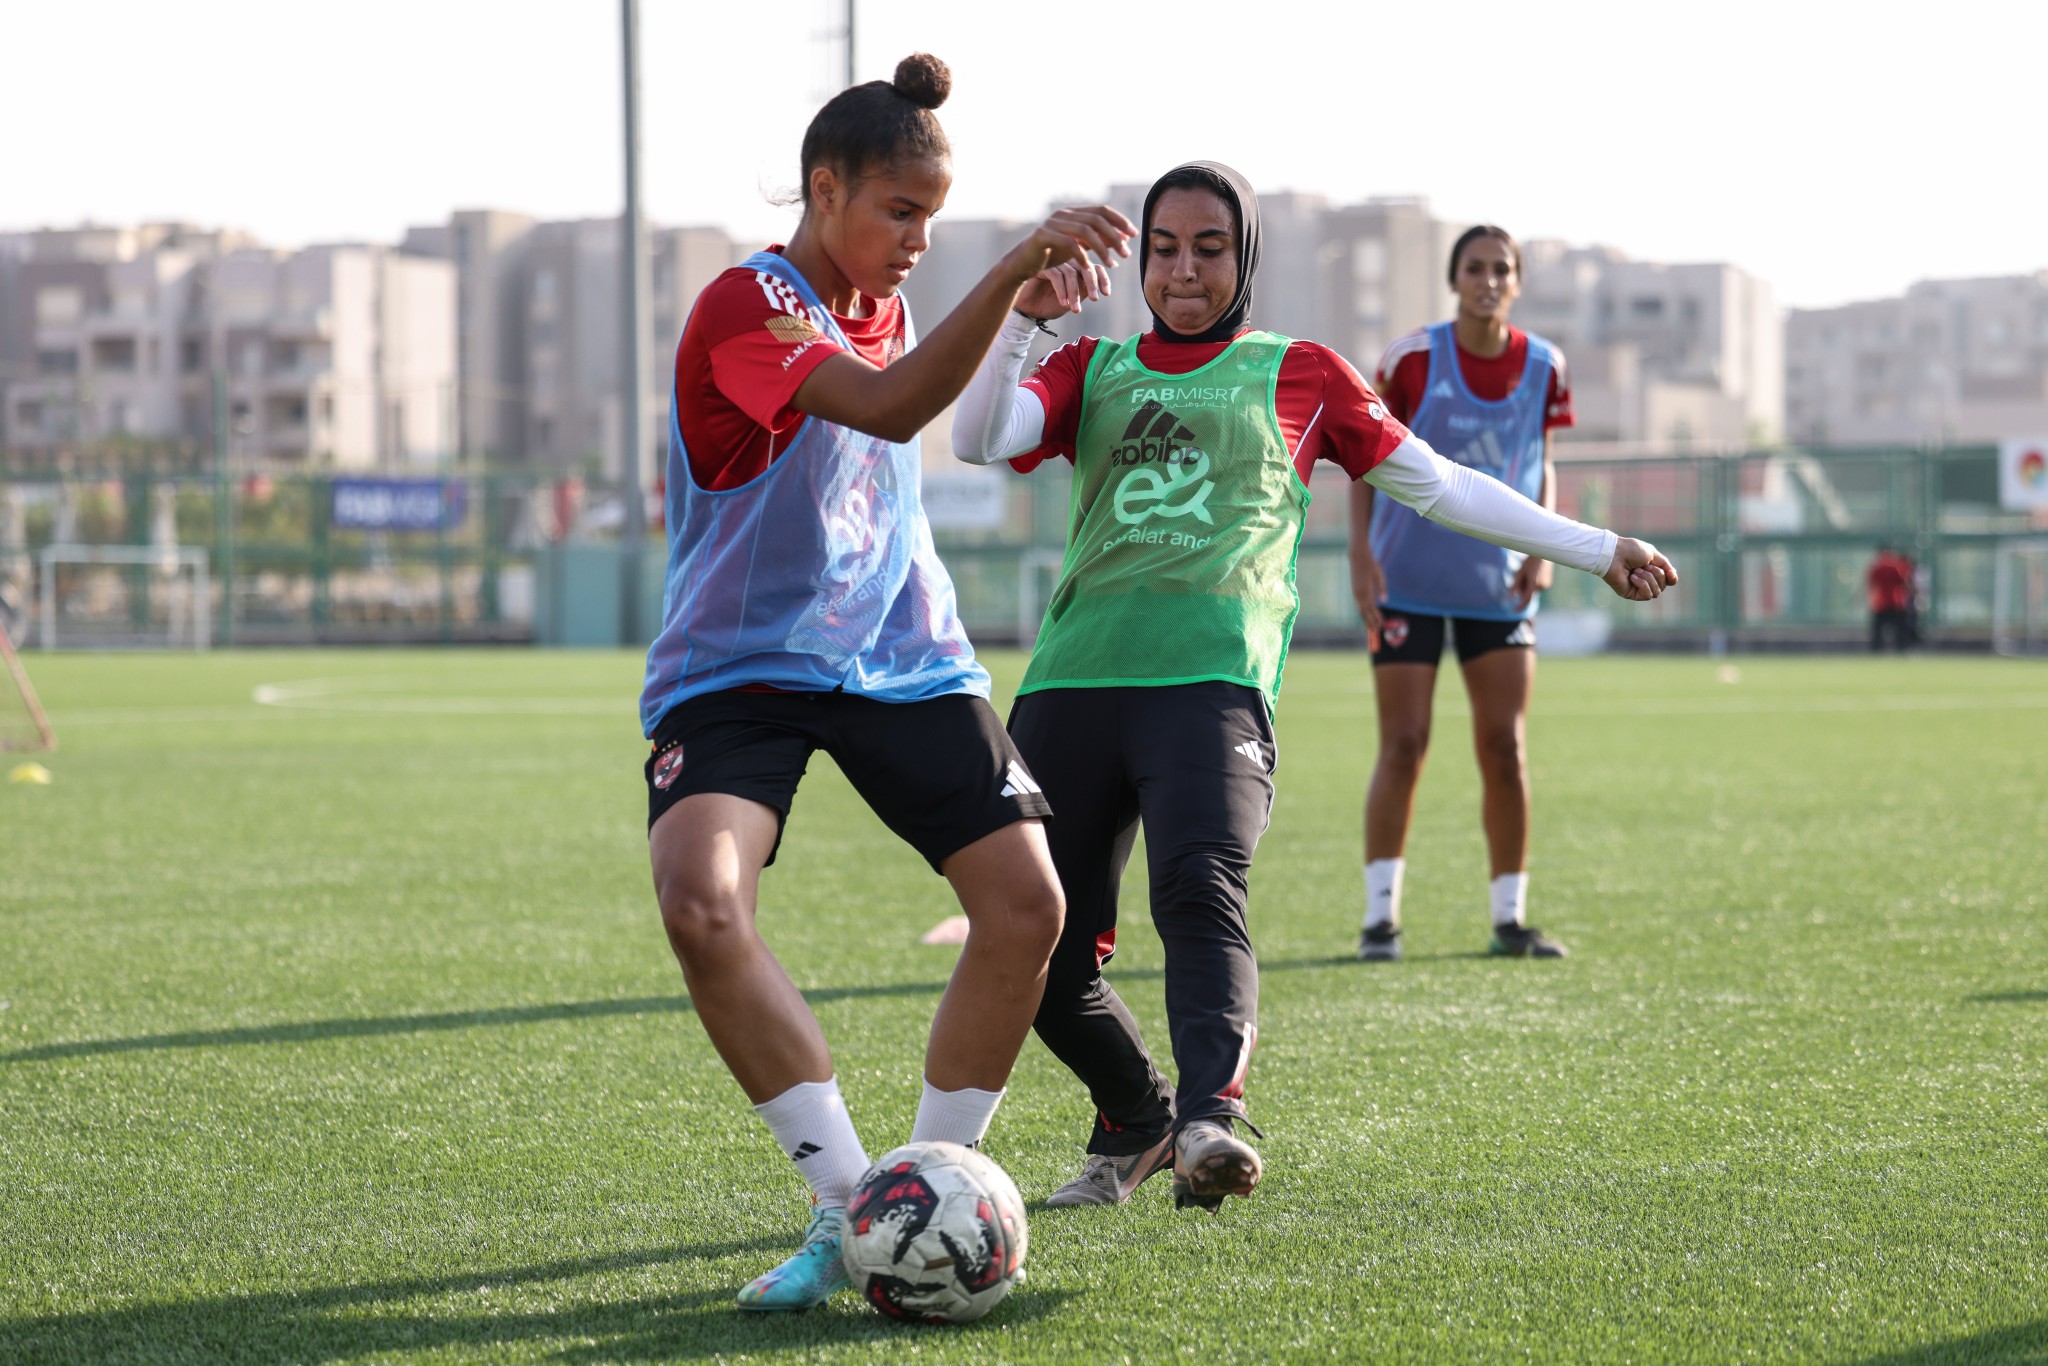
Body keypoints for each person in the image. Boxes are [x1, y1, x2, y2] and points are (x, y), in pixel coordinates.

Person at [952, 164, 1675, 1213]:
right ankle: (1133, 1110)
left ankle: (1209, 1118)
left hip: (1210, 685)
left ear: (1242, 258)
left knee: (1199, 889)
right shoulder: (1092, 367)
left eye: (1208, 246)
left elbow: (1437, 483)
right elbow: (976, 439)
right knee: (1035, 942)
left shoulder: (1299, 372)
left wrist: (1595, 546)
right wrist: (1022, 318)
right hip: (1070, 682)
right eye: (1163, 247)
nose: (1184, 268)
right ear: (1139, 260)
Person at [638, 53, 1133, 1311]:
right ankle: (849, 1203)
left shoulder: (883, 296)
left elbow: (935, 396)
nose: (917, 240)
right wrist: (1014, 267)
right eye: (898, 213)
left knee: (1028, 905)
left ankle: (928, 1190)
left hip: (900, 653)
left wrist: (1023, 304)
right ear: (824, 190)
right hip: (741, 667)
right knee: (700, 900)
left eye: (932, 216)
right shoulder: (749, 305)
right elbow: (898, 407)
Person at [1349, 225, 1580, 965]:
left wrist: (1543, 550)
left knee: (1505, 748)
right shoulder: (1413, 359)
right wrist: (1361, 554)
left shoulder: (1546, 366)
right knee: (1405, 743)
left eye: (1501, 269)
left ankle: (1510, 918)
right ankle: (1379, 919)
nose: (1487, 280)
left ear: (1516, 283)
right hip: (1407, 583)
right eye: (1474, 268)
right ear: (1455, 280)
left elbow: (1543, 459)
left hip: (1500, 585)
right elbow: (1362, 455)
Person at [1868, 545, 1913, 650]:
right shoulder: (1896, 566)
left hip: (1882, 602)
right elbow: (1905, 582)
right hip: (1895, 602)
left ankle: (1876, 649)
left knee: (1878, 630)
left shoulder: (1877, 567)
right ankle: (1901, 648)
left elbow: (1872, 585)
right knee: (1900, 629)